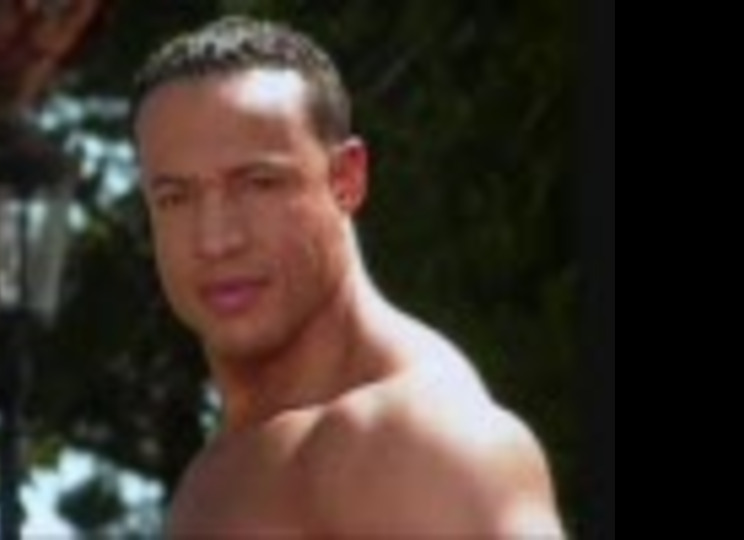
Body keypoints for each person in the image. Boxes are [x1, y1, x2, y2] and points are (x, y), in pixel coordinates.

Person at [131, 15, 565, 537]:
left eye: (259, 183)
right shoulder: (227, 463)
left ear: (346, 179)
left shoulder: (416, 439)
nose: (215, 240)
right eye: (175, 198)